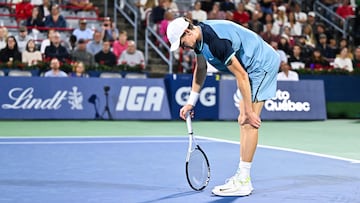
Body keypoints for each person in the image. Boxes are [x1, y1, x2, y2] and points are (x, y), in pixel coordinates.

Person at [166, 17, 280, 197]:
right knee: (242, 120)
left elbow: (241, 75)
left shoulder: (215, 41)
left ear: (187, 32)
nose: (183, 47)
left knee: (248, 122)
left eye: (182, 43)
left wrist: (249, 110)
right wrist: (191, 102)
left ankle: (244, 181)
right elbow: (201, 69)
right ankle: (242, 176)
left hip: (260, 65)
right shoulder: (199, 38)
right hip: (249, 68)